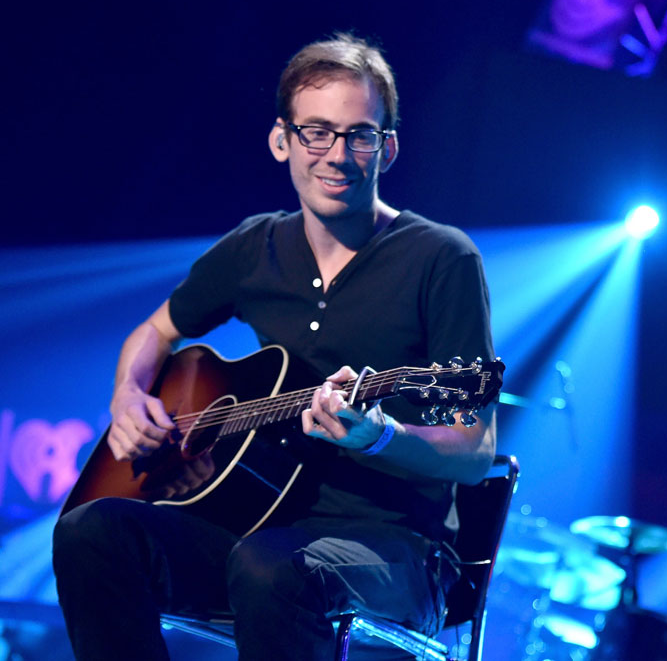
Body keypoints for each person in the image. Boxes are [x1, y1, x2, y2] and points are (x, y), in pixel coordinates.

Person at [53, 33, 497, 660]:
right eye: (317, 131)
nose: (337, 155)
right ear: (281, 140)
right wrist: (127, 398)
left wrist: (379, 436)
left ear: (387, 149)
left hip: (394, 553)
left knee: (271, 569)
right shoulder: (254, 247)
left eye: (359, 134)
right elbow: (153, 333)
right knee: (90, 531)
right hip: (253, 530)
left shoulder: (442, 258)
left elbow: (475, 449)